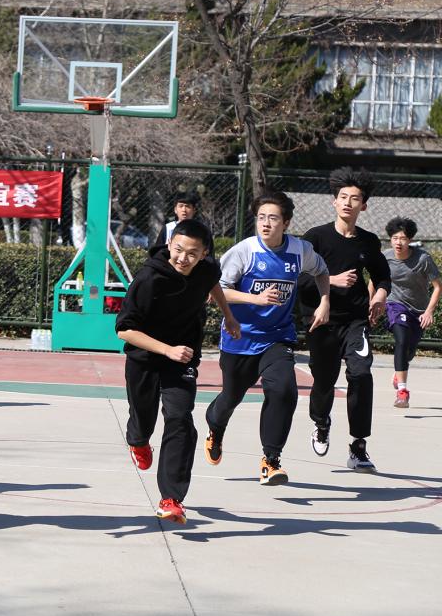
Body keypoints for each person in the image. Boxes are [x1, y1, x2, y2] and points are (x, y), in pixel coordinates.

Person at [115, 219, 240, 525]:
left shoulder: (207, 269)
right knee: (143, 418)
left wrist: (229, 316)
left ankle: (171, 499)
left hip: (181, 359)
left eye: (192, 253)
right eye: (179, 249)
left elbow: (213, 282)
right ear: (170, 244)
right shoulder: (149, 278)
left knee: (181, 419)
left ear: (204, 254)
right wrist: (166, 349)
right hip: (144, 358)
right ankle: (138, 440)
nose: (184, 258)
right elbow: (124, 330)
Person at [204, 191, 331, 485]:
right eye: (261, 217)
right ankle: (216, 428)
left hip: (277, 337)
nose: (265, 223)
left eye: (273, 218)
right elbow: (216, 291)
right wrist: (255, 299)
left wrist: (325, 301)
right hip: (240, 337)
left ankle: (271, 461)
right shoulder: (244, 251)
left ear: (285, 223)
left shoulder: (299, 250)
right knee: (231, 397)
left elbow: (322, 271)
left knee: (284, 390)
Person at [298, 167, 391, 473]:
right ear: (334, 202)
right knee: (324, 380)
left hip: (355, 321)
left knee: (361, 374)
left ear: (364, 205)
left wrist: (379, 296)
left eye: (355, 198)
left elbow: (382, 276)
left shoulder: (368, 241)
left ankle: (358, 446)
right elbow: (298, 280)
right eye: (343, 197)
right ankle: (321, 423)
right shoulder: (315, 238)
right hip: (321, 320)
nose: (348, 202)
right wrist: (332, 280)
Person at [380, 217, 441, 408]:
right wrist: (373, 302)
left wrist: (429, 311)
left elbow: (438, 286)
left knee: (409, 350)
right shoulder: (385, 257)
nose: (398, 242)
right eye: (395, 238)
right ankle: (402, 391)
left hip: (419, 310)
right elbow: (375, 281)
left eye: (403, 238)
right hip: (395, 304)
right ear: (390, 239)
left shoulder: (423, 259)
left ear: (410, 240)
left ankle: (399, 373)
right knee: (401, 340)